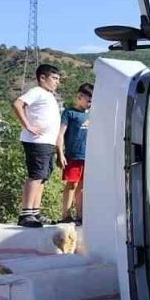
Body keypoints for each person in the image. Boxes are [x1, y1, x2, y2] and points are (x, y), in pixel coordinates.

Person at [12, 64, 62, 228]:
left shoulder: (50, 95)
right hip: (36, 141)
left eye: (58, 79)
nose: (57, 82)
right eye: (54, 78)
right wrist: (27, 125)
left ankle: (35, 212)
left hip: (47, 142)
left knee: (43, 176)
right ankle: (26, 214)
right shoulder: (37, 91)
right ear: (42, 77)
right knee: (36, 175)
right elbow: (17, 104)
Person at [57, 83, 92, 224]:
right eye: (88, 100)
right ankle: (65, 215)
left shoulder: (91, 114)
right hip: (73, 156)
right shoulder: (69, 113)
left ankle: (80, 215)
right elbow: (60, 134)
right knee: (72, 185)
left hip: (88, 157)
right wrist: (60, 153)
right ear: (80, 97)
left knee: (83, 187)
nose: (90, 104)